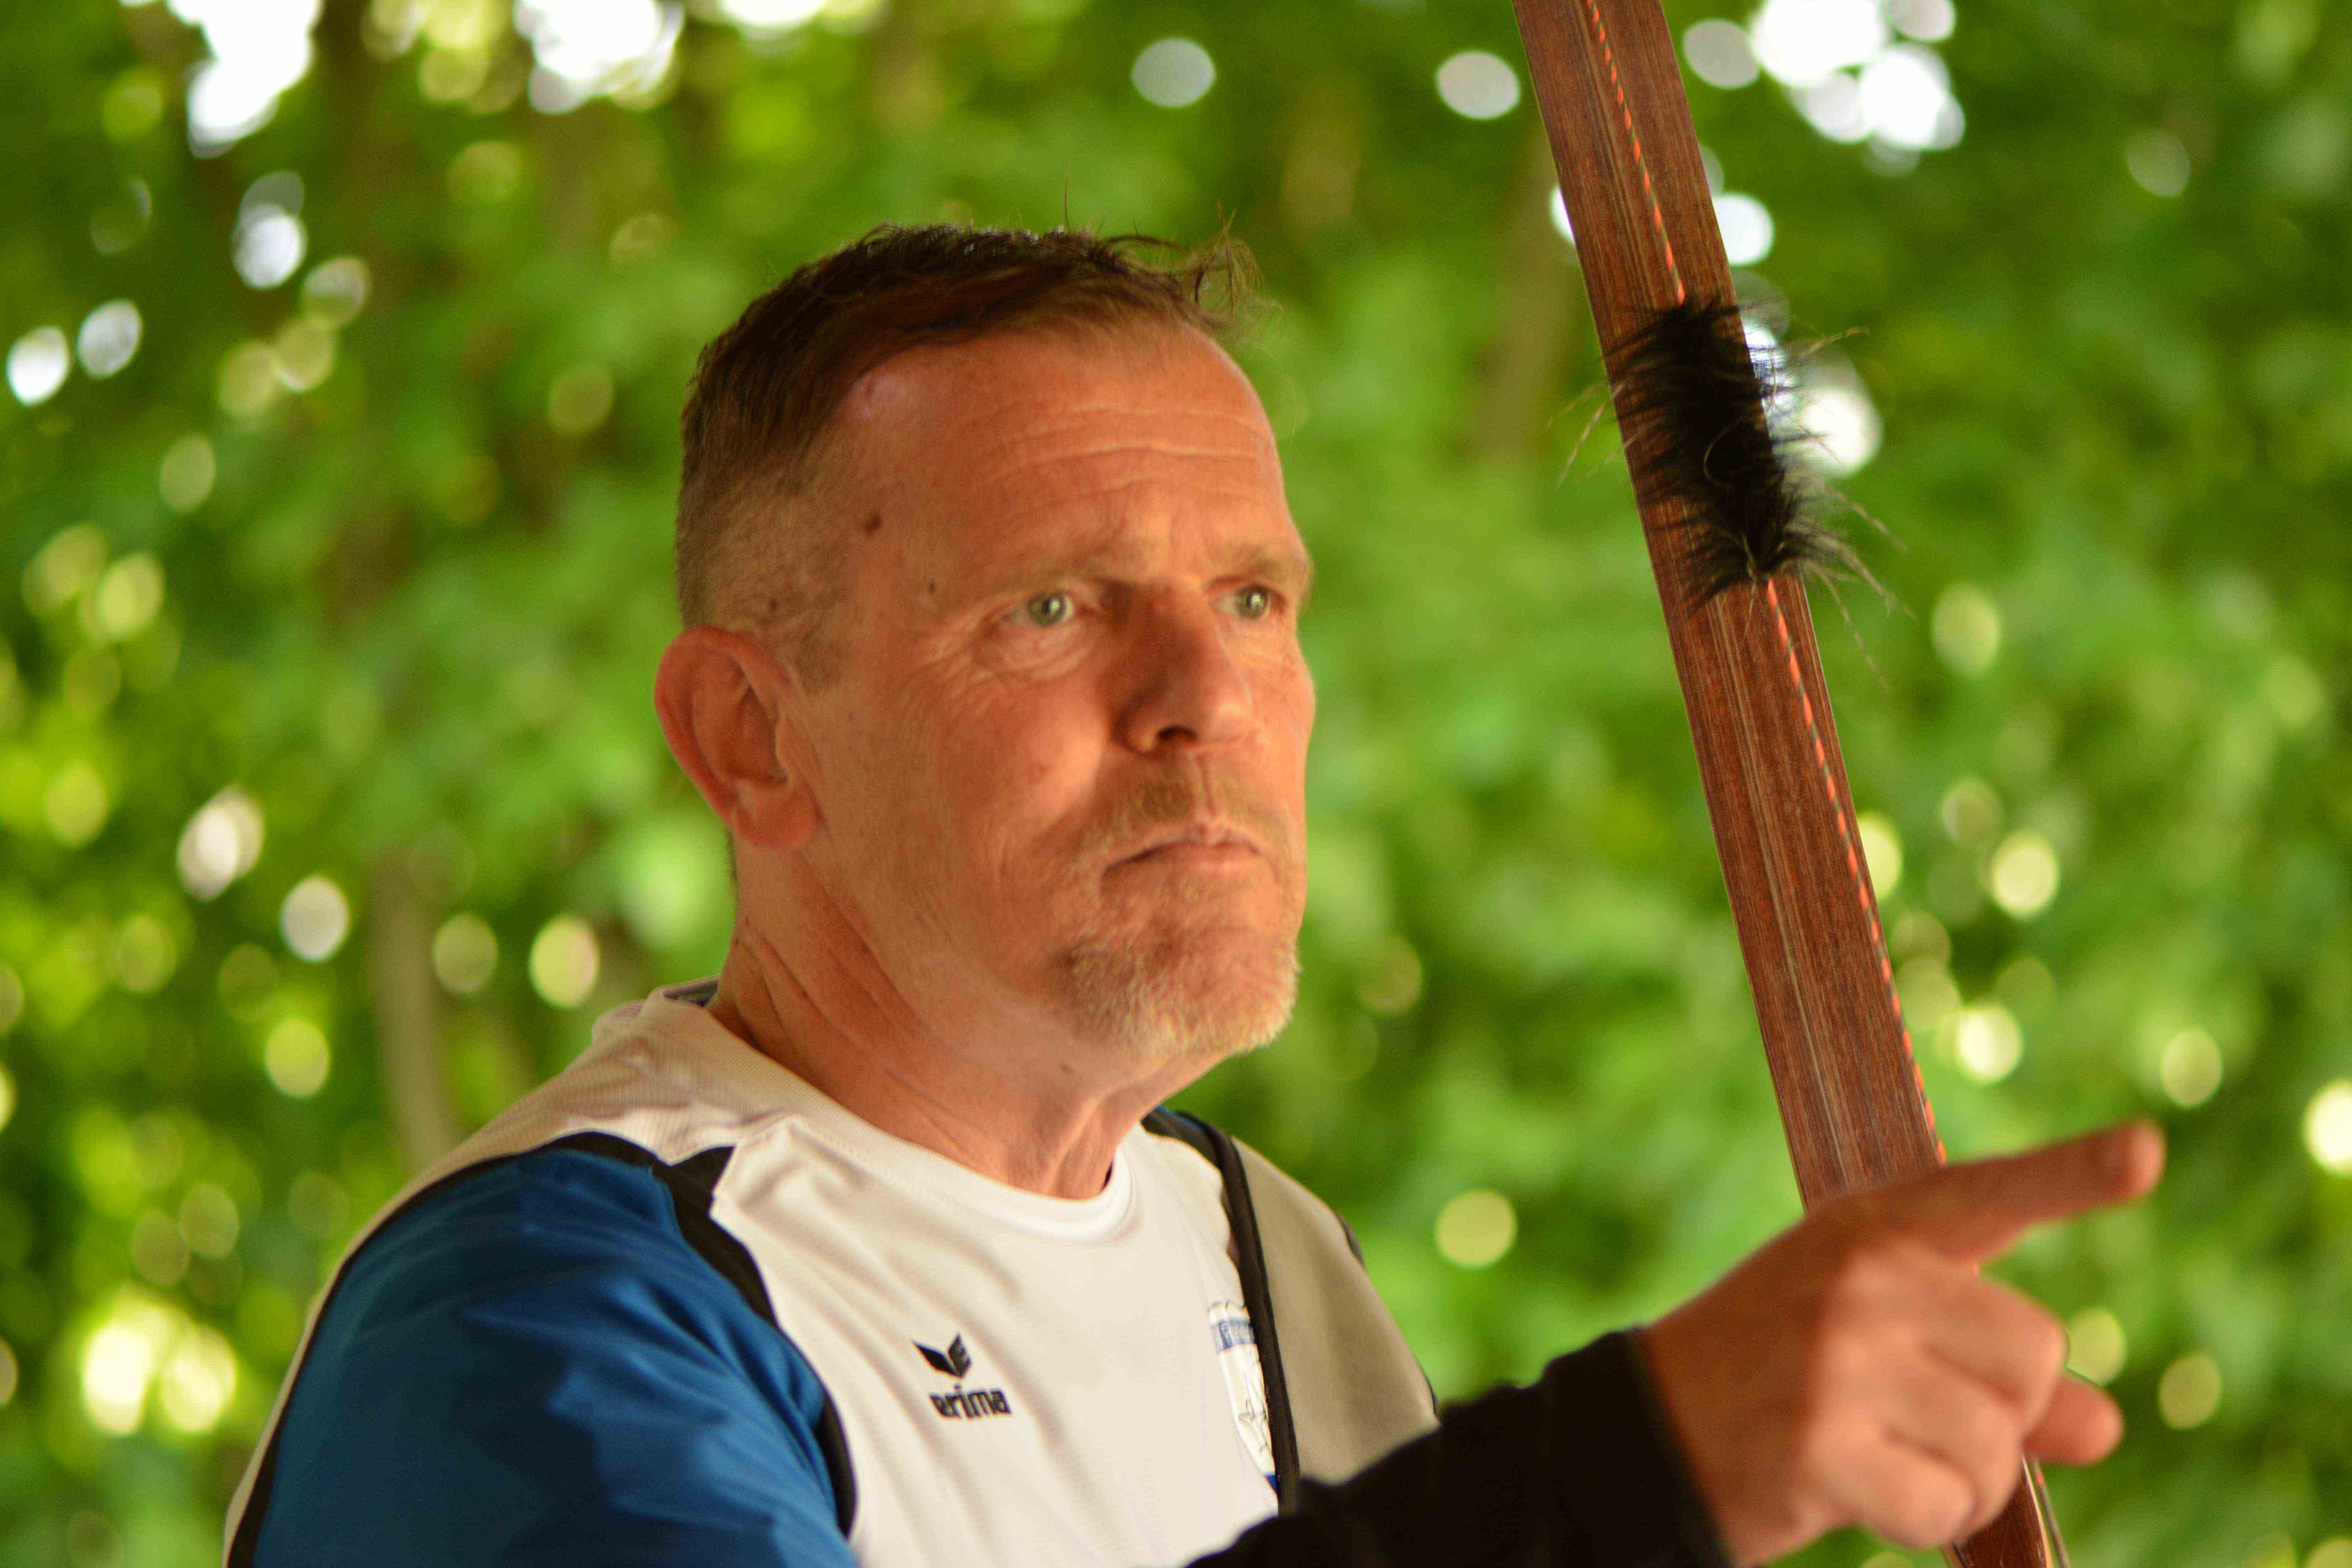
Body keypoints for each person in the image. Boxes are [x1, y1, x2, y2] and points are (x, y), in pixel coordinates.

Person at [224, 225, 2162, 1568]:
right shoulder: (541, 1311)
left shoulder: (1267, 1256)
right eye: (1053, 608)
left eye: (1251, 599)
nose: (1203, 698)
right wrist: (1627, 1477)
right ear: (752, 737)